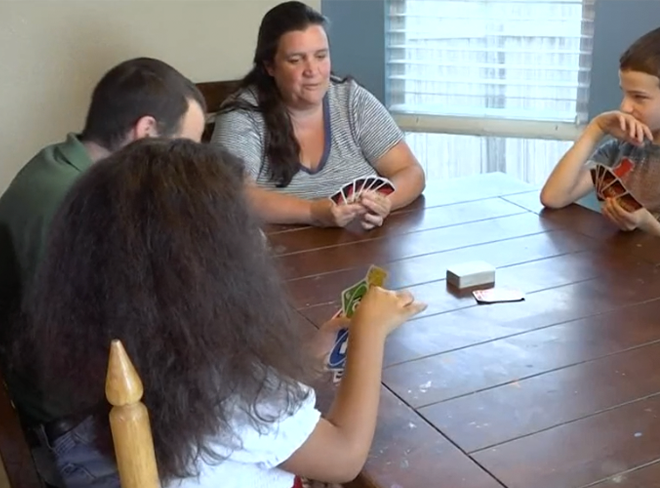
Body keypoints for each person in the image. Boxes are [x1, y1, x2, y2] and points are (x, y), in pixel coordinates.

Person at [12, 139, 427, 488]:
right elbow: (344, 457)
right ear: (209, 266)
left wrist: (312, 354)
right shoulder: (232, 390)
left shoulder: (136, 349)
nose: (260, 237)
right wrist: (370, 333)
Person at [0, 57, 206, 487]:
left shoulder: (58, 166)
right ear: (146, 131)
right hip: (75, 427)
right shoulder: (73, 208)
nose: (188, 168)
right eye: (185, 149)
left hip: (60, 400)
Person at [212, 1, 426, 230]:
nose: (312, 71)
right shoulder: (242, 115)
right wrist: (314, 212)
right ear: (269, 66)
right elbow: (233, 193)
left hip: (361, 249)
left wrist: (385, 202)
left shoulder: (352, 100)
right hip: (277, 256)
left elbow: (410, 171)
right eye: (295, 60)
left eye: (321, 56)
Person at [539, 26, 660, 259]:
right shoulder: (623, 147)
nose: (625, 107)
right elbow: (553, 197)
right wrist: (596, 129)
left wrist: (645, 222)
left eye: (639, 97)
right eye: (625, 93)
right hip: (617, 270)